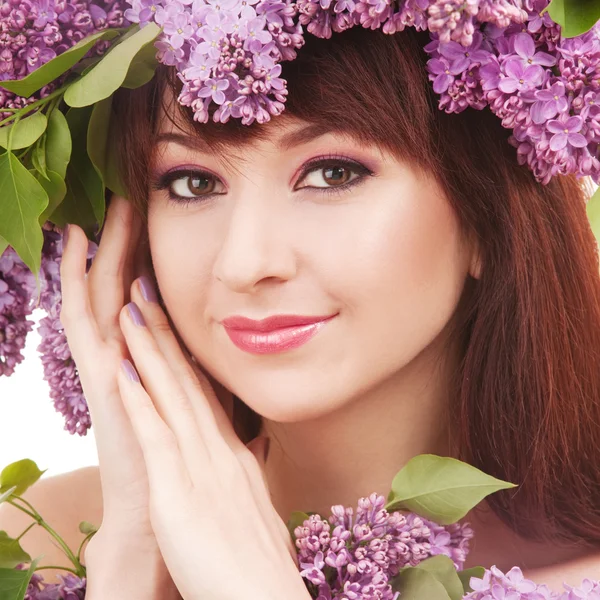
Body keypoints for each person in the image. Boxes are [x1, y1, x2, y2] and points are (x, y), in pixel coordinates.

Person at [2, 22, 600, 600]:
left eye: (331, 173)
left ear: (485, 218)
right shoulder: (29, 544)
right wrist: (133, 564)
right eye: (192, 183)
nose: (244, 263)